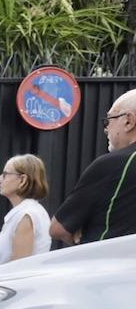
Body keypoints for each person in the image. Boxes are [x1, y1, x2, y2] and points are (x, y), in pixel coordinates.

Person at [50, 89, 136, 245]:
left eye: (108, 120)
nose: (105, 129)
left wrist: (80, 228)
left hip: (111, 263)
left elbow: (58, 229)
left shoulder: (113, 164)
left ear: (128, 121)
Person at [0, 154, 52, 266]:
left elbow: (17, 268)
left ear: (22, 180)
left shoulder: (26, 215)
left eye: (5, 175)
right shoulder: (27, 212)